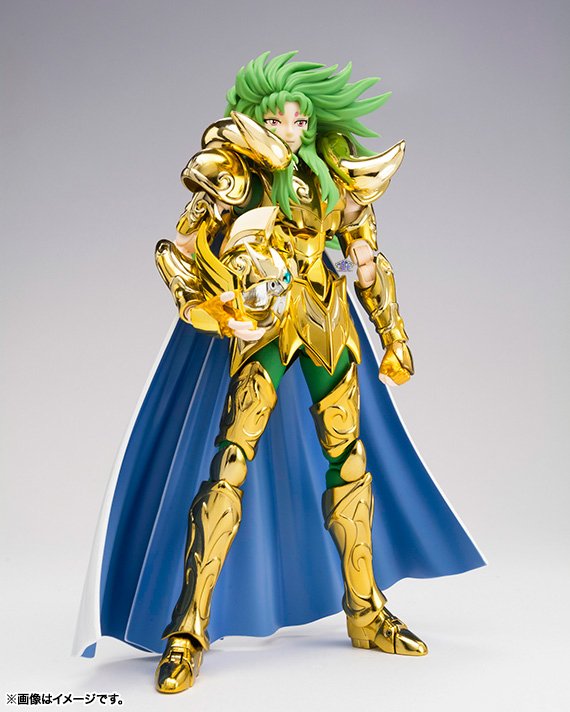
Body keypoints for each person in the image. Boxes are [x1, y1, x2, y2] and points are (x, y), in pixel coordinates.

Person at [73, 51, 485, 693]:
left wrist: (393, 334)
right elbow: (181, 256)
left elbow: (368, 261)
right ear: (254, 119)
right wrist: (217, 310)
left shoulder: (333, 180)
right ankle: (189, 627)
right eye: (276, 119)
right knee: (231, 462)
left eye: (300, 120)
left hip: (327, 323)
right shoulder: (236, 176)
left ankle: (365, 609)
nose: (290, 130)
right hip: (262, 327)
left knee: (350, 457)